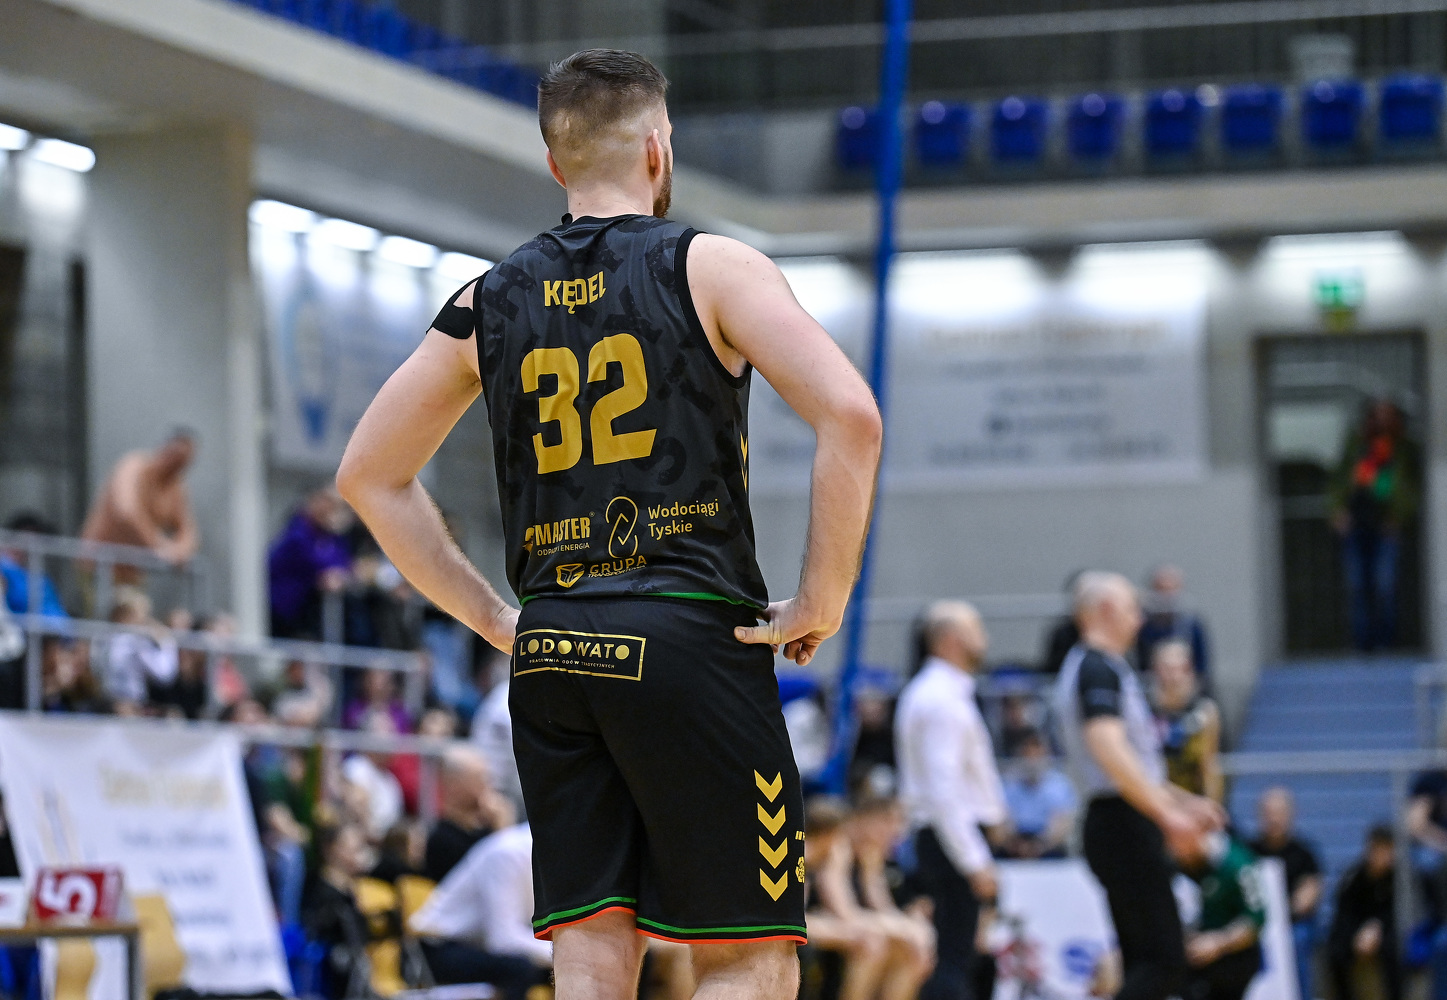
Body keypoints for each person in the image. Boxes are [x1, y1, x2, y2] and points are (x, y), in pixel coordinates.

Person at [336, 47, 882, 1000]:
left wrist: (493, 618)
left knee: (591, 949)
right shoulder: (711, 266)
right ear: (658, 151)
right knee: (747, 952)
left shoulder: (485, 300)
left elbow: (368, 477)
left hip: (553, 648)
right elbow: (852, 416)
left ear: (555, 162)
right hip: (687, 634)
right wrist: (822, 599)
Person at [1051, 571, 1224, 1000]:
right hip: (1122, 823)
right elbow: (1107, 746)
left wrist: (1181, 801)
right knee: (1166, 963)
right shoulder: (1096, 667)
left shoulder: (1100, 667)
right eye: (1132, 608)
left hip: (1116, 819)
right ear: (1106, 610)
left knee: (1143, 960)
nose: (1140, 619)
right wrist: (1166, 814)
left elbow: (1132, 764)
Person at [895, 600, 1008, 1000]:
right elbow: (943, 791)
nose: (985, 638)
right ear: (949, 639)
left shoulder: (945, 693)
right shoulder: (939, 698)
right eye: (976, 629)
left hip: (951, 838)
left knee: (961, 957)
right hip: (950, 841)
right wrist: (973, 859)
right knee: (952, 960)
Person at [409, 823, 553, 1000]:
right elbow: (503, 940)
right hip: (434, 950)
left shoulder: (529, 852)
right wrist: (561, 953)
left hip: (474, 946)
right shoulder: (507, 854)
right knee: (521, 969)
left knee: (549, 972)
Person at [1329, 398, 1419, 652]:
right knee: (1357, 586)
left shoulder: (1403, 449)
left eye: (1388, 415)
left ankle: (1385, 643)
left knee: (1385, 585)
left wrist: (1398, 516)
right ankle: (1362, 644)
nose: (1382, 421)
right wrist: (1337, 510)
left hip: (1384, 526)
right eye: (1377, 415)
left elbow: (1411, 489)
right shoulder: (1358, 446)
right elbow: (1339, 481)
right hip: (1357, 525)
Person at [798, 798, 897, 1000]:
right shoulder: (804, 859)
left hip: (808, 925)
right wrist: (846, 933)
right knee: (868, 941)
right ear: (829, 835)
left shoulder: (819, 860)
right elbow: (796, 920)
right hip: (798, 930)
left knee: (873, 939)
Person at [81, 430, 200, 573]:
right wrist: (158, 544)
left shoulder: (175, 488)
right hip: (98, 564)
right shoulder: (134, 467)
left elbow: (188, 531)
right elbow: (126, 510)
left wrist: (179, 552)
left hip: (132, 570)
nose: (175, 466)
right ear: (164, 450)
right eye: (174, 457)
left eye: (182, 463)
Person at [1248, 787, 1323, 1000]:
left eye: (1279, 813)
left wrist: (1284, 912)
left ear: (1290, 815)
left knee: (1297, 940)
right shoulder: (1248, 851)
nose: (1274, 819)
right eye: (1268, 813)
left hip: (1292, 923)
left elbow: (1311, 892)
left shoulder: (1304, 853)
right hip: (1255, 923)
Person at [1178, 833, 1266, 1000]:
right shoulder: (1178, 861)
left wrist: (1218, 943)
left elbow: (1256, 919)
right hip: (1189, 953)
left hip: (1232, 958)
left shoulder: (1238, 863)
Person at [267, 487, 353, 640]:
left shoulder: (330, 536)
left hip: (305, 612)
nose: (331, 510)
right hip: (284, 610)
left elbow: (344, 563)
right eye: (328, 503)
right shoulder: (297, 531)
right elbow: (316, 563)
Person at [1328, 824, 1400, 1000]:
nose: (1381, 856)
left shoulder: (1399, 879)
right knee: (1336, 950)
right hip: (1356, 930)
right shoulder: (1354, 876)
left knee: (1395, 951)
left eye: (1386, 850)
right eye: (1377, 849)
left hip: (1385, 930)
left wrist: (1377, 928)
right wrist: (1357, 935)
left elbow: (1398, 913)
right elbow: (1344, 912)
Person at [424, 745, 513, 883]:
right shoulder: (442, 840)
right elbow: (496, 879)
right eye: (480, 778)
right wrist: (502, 828)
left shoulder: (485, 831)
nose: (487, 785)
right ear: (453, 785)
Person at [1149, 640, 1223, 803]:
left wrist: (1212, 804)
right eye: (1167, 669)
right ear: (1156, 670)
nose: (1174, 676)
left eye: (1180, 668)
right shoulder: (1143, 709)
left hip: (1191, 799)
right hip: (1153, 800)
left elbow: (1209, 766)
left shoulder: (1204, 711)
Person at [1000, 729, 1075, 859]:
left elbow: (1062, 825)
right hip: (1015, 845)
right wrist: (1016, 845)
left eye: (1036, 752)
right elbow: (1000, 826)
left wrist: (1039, 846)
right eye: (1027, 752)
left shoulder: (1060, 785)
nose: (1032, 758)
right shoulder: (1007, 785)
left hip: (1048, 847)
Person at [103, 586, 179, 712]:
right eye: (141, 614)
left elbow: (164, 675)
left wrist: (164, 641)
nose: (144, 620)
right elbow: (164, 674)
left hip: (134, 703)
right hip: (113, 702)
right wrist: (166, 642)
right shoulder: (117, 640)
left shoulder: (137, 641)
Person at [1136, 565, 1209, 681]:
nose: (1166, 597)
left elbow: (1202, 667)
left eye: (1171, 590)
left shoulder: (1192, 624)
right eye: (1161, 589)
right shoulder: (1140, 624)